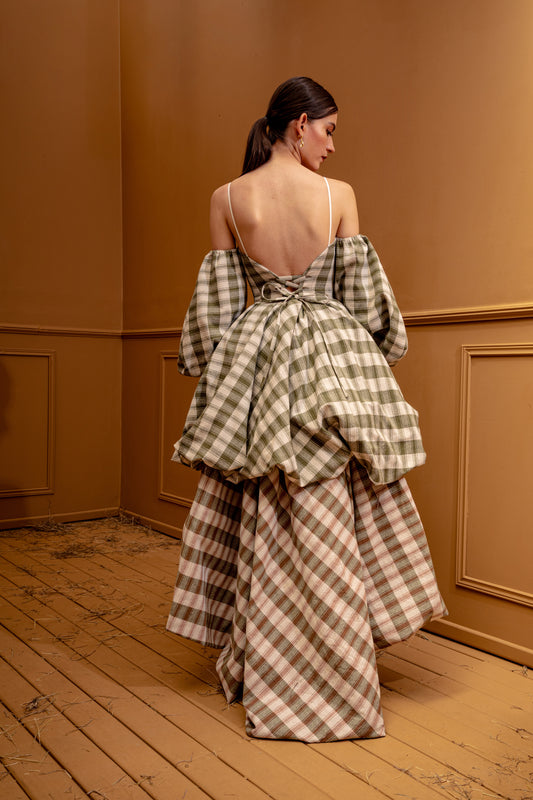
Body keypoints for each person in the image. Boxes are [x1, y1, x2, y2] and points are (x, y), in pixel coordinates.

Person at [166, 76, 446, 743]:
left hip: (258, 357)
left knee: (262, 505)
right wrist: (375, 354)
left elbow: (215, 311)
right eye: (328, 130)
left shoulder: (227, 198)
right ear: (298, 124)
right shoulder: (336, 196)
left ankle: (263, 656)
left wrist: (216, 374)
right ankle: (336, 662)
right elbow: (365, 301)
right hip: (330, 357)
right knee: (338, 508)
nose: (331, 145)